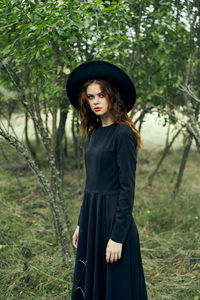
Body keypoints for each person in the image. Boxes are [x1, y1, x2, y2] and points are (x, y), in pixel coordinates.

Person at [66, 61, 148, 300]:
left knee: (116, 288)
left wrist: (117, 237)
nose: (96, 101)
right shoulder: (93, 134)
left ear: (112, 96)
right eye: (91, 97)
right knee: (93, 286)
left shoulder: (123, 133)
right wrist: (82, 223)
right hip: (93, 220)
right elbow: (90, 185)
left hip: (113, 221)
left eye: (101, 95)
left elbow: (127, 189)